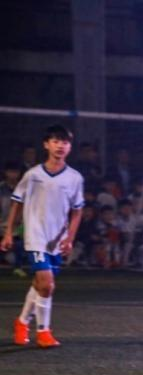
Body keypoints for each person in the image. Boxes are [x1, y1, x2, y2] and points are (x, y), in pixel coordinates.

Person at [2, 124, 85, 348]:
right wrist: (9, 233)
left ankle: (21, 322)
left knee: (40, 284)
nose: (60, 146)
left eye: (65, 142)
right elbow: (16, 203)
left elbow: (77, 211)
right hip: (35, 236)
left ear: (70, 147)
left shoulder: (74, 178)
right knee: (47, 285)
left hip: (57, 239)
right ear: (46, 145)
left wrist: (69, 238)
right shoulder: (33, 175)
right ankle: (43, 331)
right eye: (55, 141)